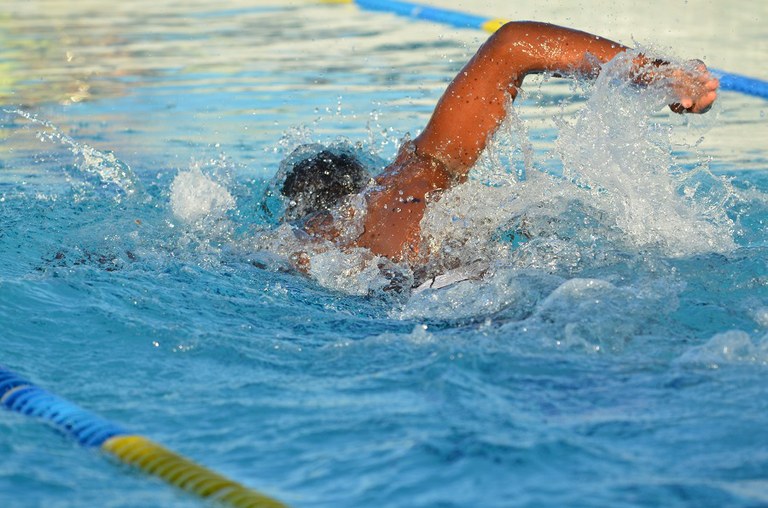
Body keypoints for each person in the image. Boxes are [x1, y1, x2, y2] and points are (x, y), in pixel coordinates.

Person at [279, 21, 719, 275]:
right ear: (373, 174)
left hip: (403, 318)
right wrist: (659, 73)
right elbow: (512, 44)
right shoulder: (417, 172)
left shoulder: (298, 244)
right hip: (487, 291)